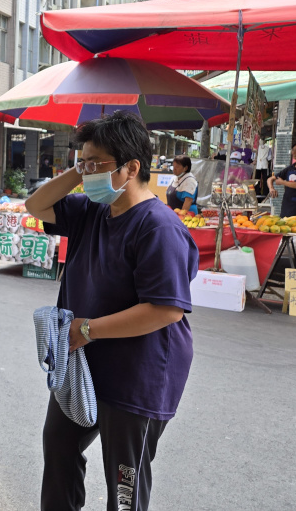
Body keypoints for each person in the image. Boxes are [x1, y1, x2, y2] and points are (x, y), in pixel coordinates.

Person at [25, 112, 198, 511]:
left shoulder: (158, 227)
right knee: (59, 454)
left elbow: (165, 310)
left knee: (125, 488)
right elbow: (36, 205)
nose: (86, 173)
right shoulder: (91, 210)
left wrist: (86, 329)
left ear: (131, 167)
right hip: (82, 365)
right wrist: (81, 171)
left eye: (95, 163)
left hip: (136, 375)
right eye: (81, 162)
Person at [267, 141, 296, 217]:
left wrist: (283, 182)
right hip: (286, 203)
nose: (293, 152)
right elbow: (270, 179)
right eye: (293, 150)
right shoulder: (290, 168)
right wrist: (271, 188)